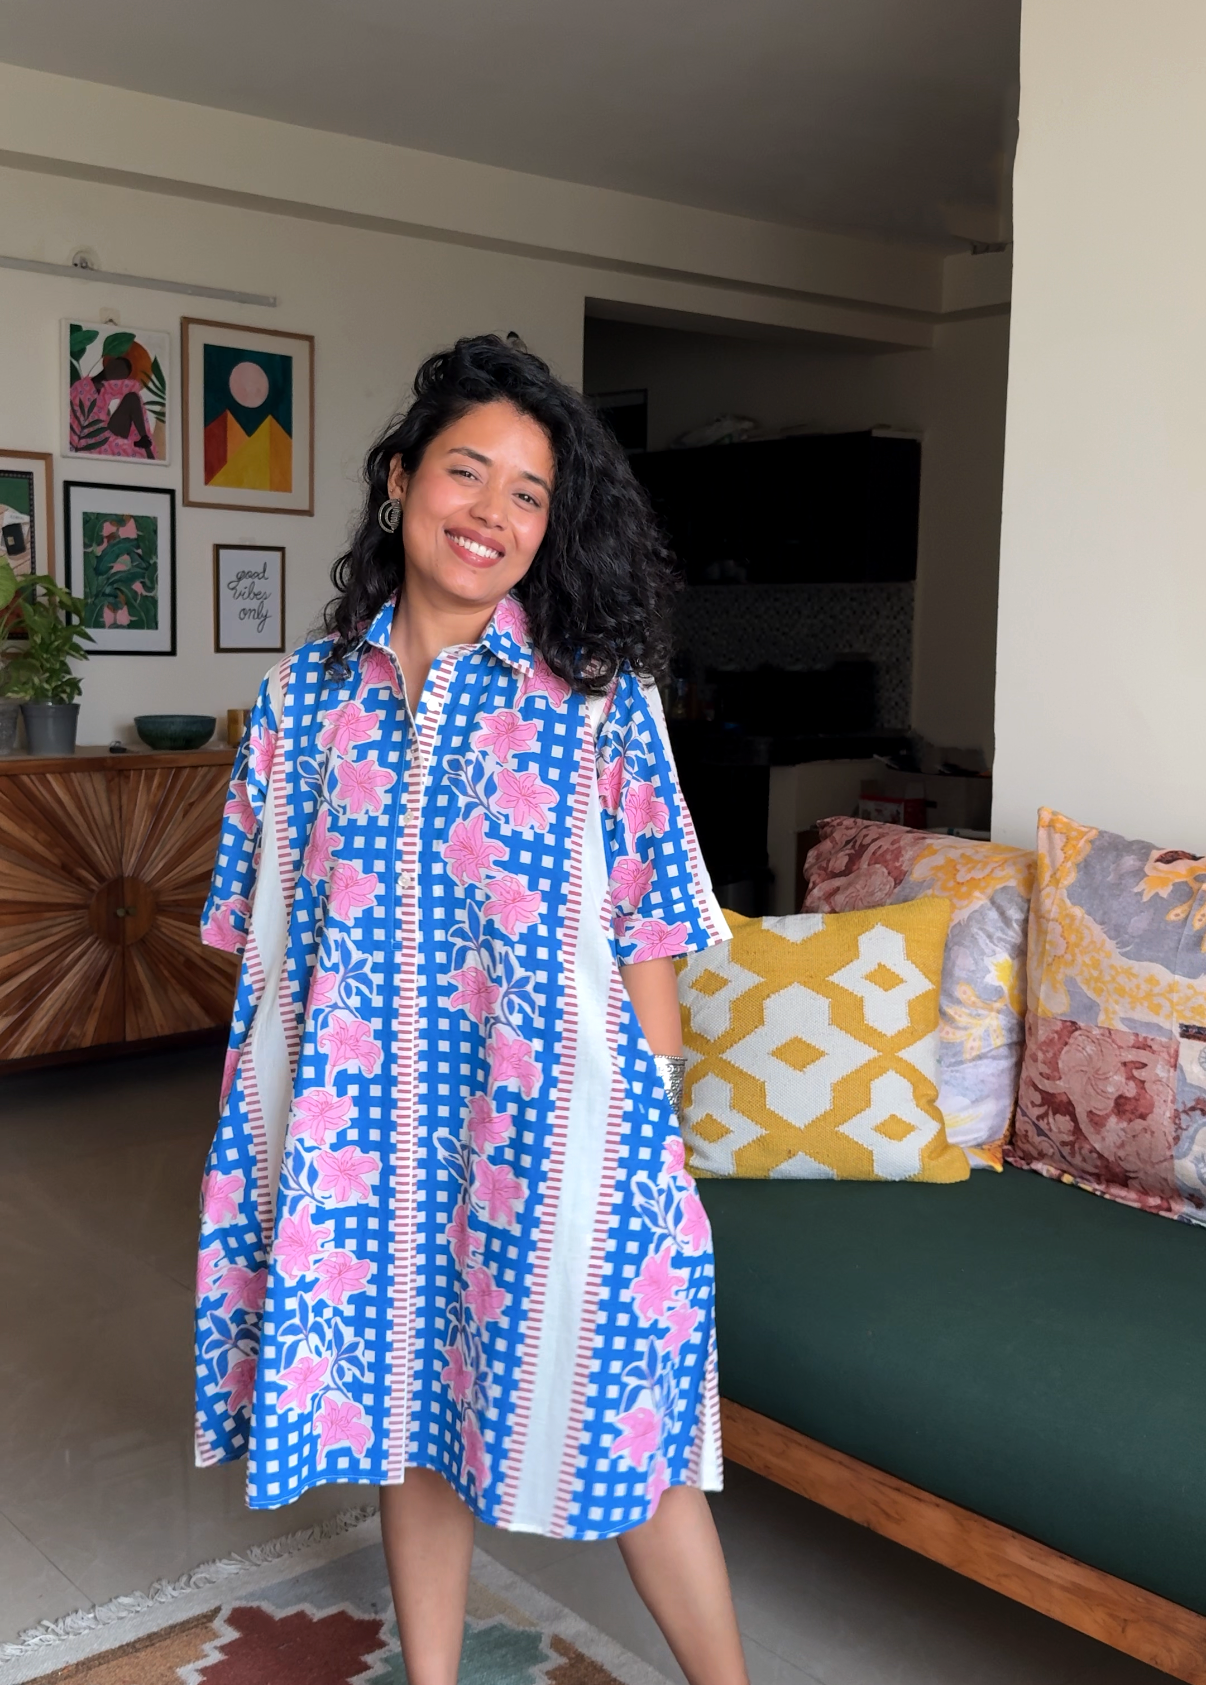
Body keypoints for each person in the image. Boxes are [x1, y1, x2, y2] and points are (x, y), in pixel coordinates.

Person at [194, 334, 747, 1685]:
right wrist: (292, 1144)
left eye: (527, 493)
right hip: (361, 1147)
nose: (490, 513)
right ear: (398, 482)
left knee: (635, 1432)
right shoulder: (297, 709)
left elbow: (653, 938)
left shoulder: (601, 710)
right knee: (402, 1417)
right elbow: (262, 943)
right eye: (464, 472)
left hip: (558, 1145)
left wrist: (651, 1151)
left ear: (550, 530)